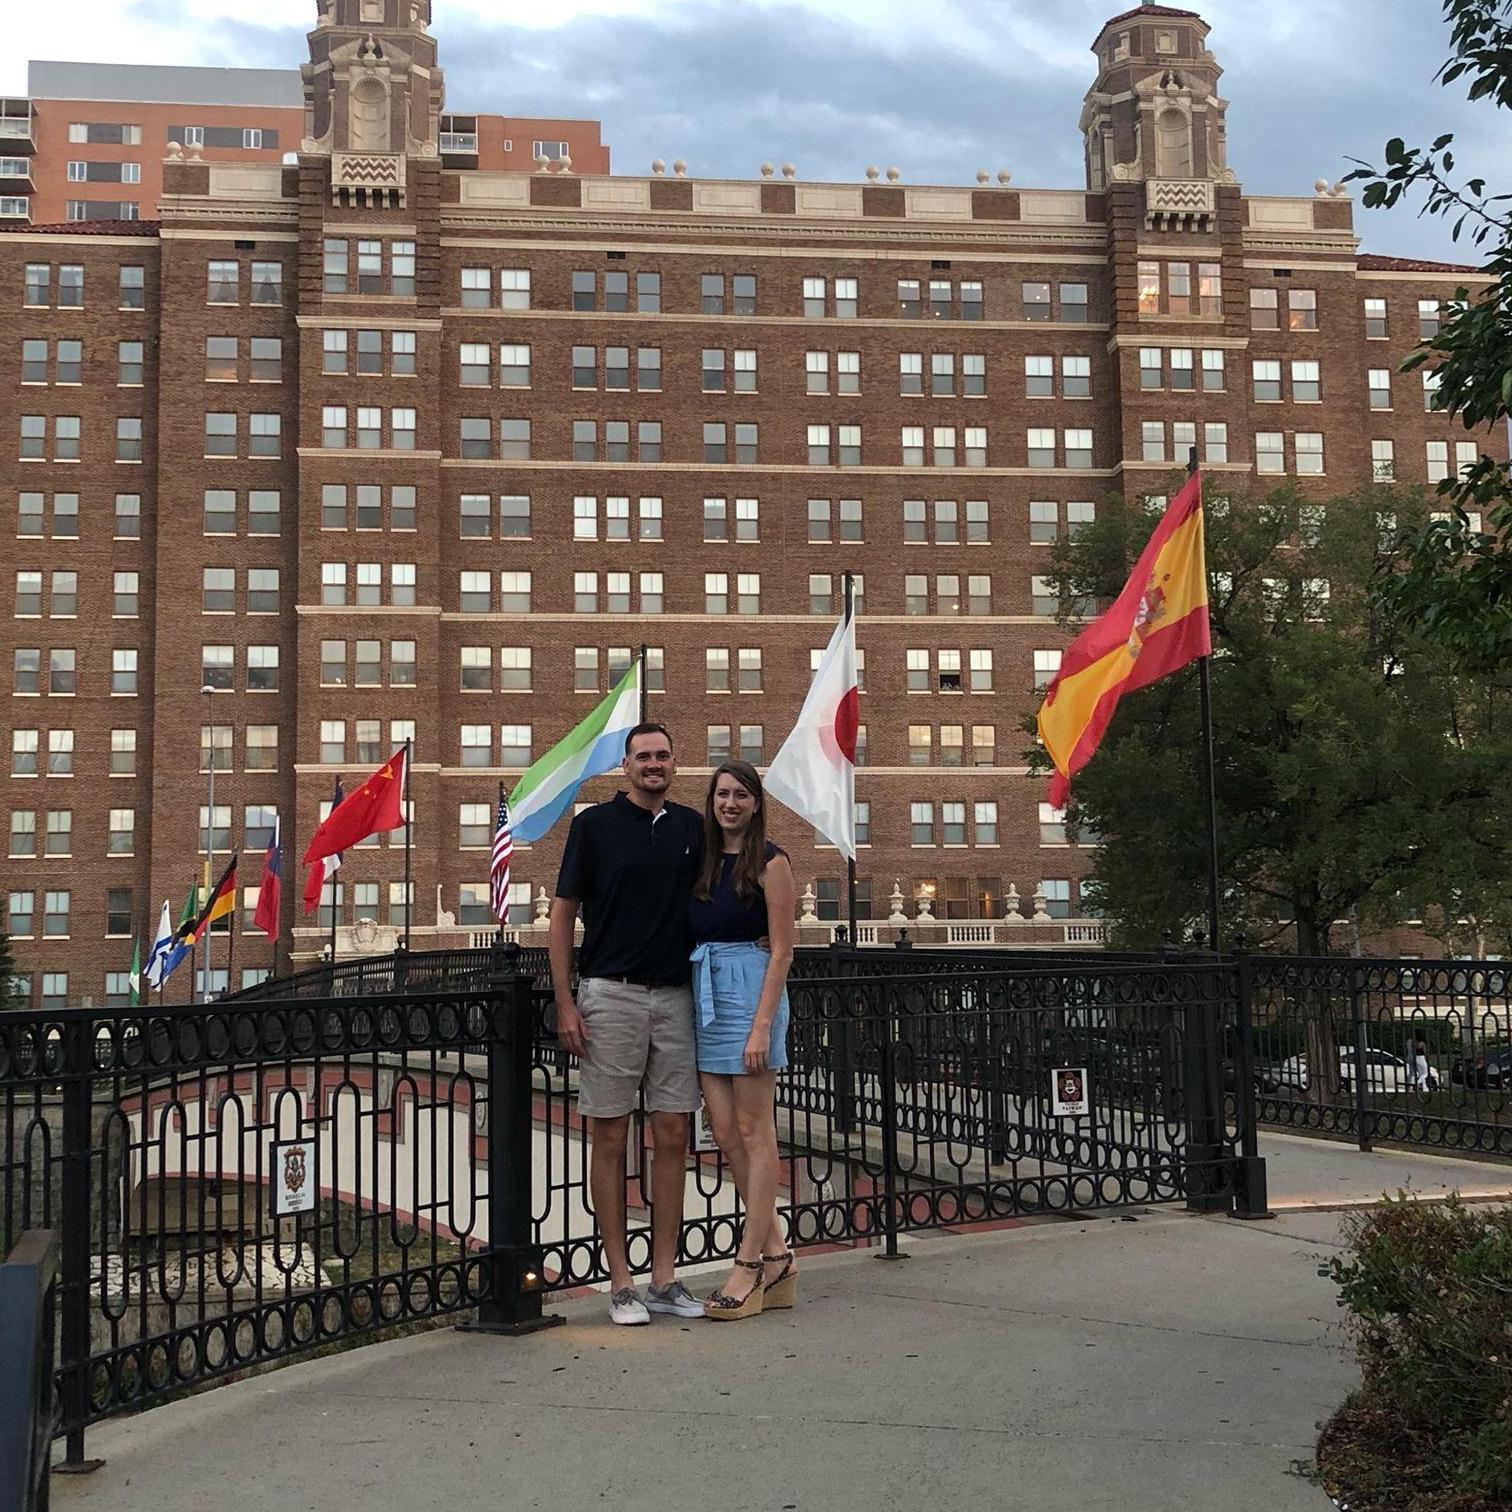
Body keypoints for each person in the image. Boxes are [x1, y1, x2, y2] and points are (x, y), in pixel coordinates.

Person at [550, 723, 707, 1326]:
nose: (654, 764)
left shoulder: (693, 828)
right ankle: (621, 1282)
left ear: (674, 764)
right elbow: (562, 917)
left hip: (676, 999)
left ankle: (665, 1278)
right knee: (610, 1138)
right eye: (644, 755)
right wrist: (566, 1003)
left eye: (664, 755)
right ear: (625, 766)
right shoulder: (593, 826)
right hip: (608, 997)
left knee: (672, 1136)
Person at [688, 759, 797, 1320]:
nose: (729, 803)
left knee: (756, 1131)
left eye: (740, 795)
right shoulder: (703, 858)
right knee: (725, 1132)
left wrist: (761, 1024)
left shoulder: (772, 862)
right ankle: (779, 1253)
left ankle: (749, 1265)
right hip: (707, 996)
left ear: (756, 803)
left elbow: (782, 949)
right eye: (721, 794)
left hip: (751, 992)